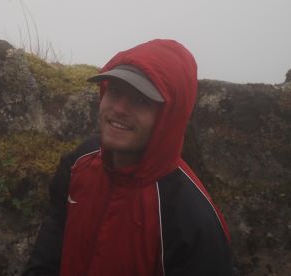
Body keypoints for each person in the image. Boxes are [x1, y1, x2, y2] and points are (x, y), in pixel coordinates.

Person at [23, 38, 234, 276]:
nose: (120, 109)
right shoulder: (80, 163)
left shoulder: (192, 220)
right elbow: (51, 246)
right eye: (114, 91)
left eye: (141, 100)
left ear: (169, 117)